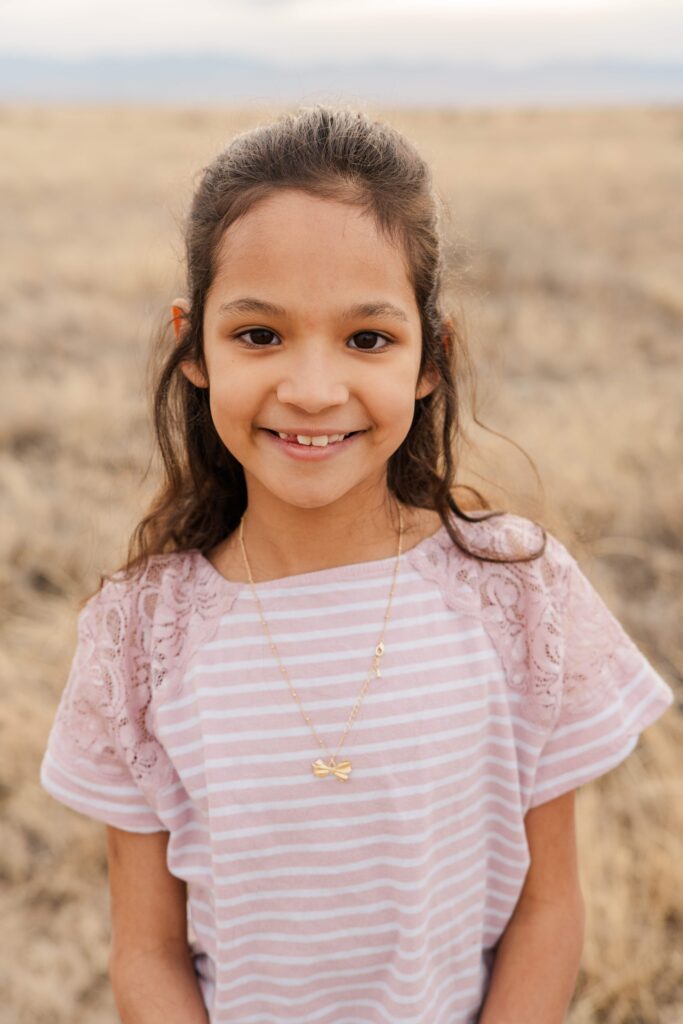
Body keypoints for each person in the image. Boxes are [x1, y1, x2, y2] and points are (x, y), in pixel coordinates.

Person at [40, 105, 674, 1024]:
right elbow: (146, 949)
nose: (311, 388)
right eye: (258, 334)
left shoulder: (517, 591)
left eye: (366, 338)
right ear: (195, 345)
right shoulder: (136, 634)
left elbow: (548, 907)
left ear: (430, 356)